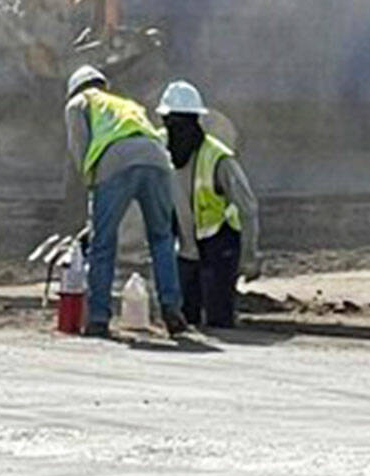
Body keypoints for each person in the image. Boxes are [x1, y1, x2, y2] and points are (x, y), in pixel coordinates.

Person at [64, 65, 188, 337]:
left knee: (103, 243)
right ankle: (171, 310)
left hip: (116, 162)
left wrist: (92, 194)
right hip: (157, 159)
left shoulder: (79, 102)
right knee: (161, 238)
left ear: (75, 88)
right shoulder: (126, 104)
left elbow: (80, 151)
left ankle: (98, 318)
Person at [157, 80, 260, 329]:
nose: (176, 130)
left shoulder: (218, 158)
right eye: (172, 122)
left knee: (218, 319)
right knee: (186, 317)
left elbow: (247, 208)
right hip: (185, 249)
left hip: (219, 244)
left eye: (183, 123)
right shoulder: (158, 148)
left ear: (196, 123)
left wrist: (248, 257)